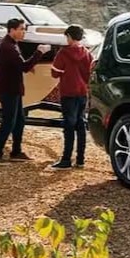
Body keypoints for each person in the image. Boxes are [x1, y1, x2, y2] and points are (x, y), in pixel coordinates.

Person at [0, 18, 50, 165]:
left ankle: (16, 151)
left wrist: (29, 64)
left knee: (20, 120)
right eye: (22, 29)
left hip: (13, 87)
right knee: (9, 121)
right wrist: (39, 52)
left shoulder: (10, 43)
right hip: (8, 88)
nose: (24, 32)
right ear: (12, 30)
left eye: (24, 29)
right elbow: (24, 67)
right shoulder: (8, 47)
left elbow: (17, 64)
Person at [49, 24, 93, 170]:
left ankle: (66, 159)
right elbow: (90, 74)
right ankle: (80, 159)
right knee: (80, 124)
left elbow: (55, 73)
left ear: (69, 36)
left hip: (68, 92)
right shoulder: (87, 53)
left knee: (69, 125)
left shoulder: (63, 53)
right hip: (82, 93)